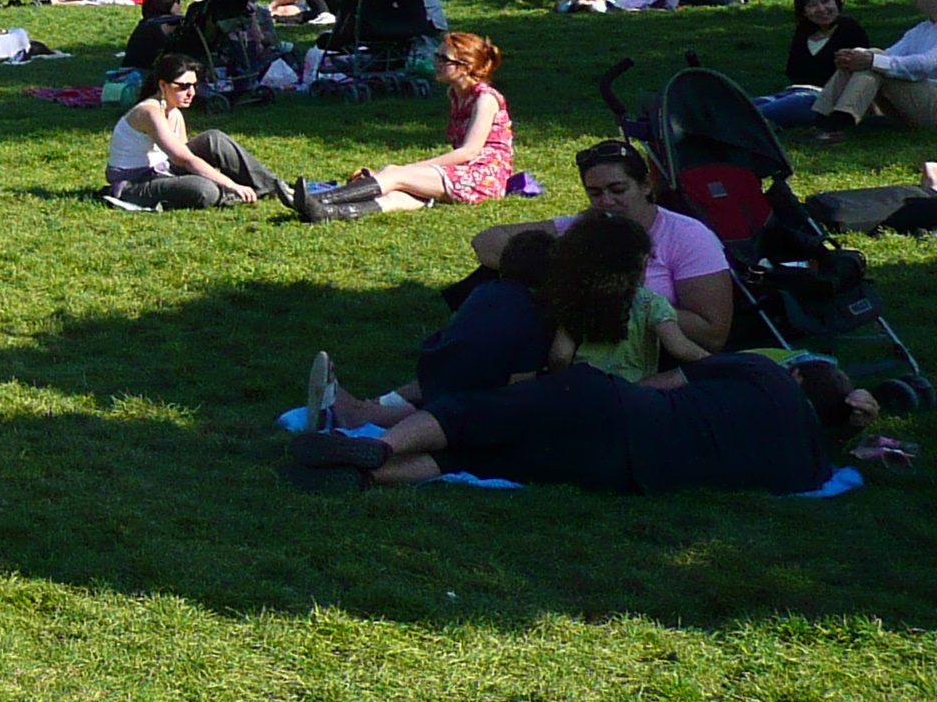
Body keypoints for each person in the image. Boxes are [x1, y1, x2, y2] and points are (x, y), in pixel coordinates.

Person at [288, 350, 872, 494]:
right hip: (627, 476)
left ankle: (379, 447)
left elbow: (665, 382)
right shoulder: (810, 467)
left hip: (620, 411)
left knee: (474, 416)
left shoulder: (765, 373)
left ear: (798, 378)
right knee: (472, 460)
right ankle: (363, 480)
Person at [458, 139, 737, 350]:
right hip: (580, 350)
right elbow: (487, 242)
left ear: (646, 185)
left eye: (618, 190)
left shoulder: (687, 236)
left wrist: (619, 298)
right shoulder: (588, 226)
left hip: (652, 356)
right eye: (594, 193)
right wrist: (562, 275)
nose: (606, 202)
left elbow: (712, 334)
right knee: (497, 290)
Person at [308, 226, 559, 430]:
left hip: (439, 359)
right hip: (474, 386)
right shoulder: (535, 316)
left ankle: (369, 404)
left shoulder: (484, 290)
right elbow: (518, 389)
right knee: (437, 417)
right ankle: (357, 418)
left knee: (431, 386)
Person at [294, 31, 513, 219]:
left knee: (395, 174)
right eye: (437, 56)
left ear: (465, 67)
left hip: (483, 178)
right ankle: (328, 213)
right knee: (400, 196)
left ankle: (314, 200)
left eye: (443, 59)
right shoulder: (456, 94)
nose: (435, 62)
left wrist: (412, 169)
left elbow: (469, 151)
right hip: (468, 173)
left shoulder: (486, 99)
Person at [540, 207, 712, 383]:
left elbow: (561, 355)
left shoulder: (577, 298)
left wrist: (559, 381)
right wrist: (717, 362)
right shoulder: (651, 303)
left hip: (586, 389)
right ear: (644, 262)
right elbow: (679, 348)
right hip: (634, 392)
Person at [106, 54, 300, 210]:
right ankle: (237, 193)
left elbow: (185, 156)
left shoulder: (174, 112)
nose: (191, 92)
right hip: (134, 184)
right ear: (163, 85)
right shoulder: (148, 112)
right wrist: (232, 185)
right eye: (183, 87)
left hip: (162, 170)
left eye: (194, 86)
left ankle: (274, 187)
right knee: (204, 190)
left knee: (213, 138)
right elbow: (184, 159)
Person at [807, 0, 937, 138]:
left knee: (874, 60)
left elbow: (925, 64)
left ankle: (836, 123)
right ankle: (823, 119)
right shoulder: (921, 29)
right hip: (916, 106)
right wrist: (854, 57)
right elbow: (888, 55)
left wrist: (870, 59)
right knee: (871, 59)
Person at [757, 0, 869, 127]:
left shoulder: (849, 29)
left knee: (757, 114)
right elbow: (792, 70)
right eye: (812, 5)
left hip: (821, 99)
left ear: (837, 3)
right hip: (792, 93)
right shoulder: (804, 32)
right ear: (803, 11)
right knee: (744, 105)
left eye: (826, 2)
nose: (821, 9)